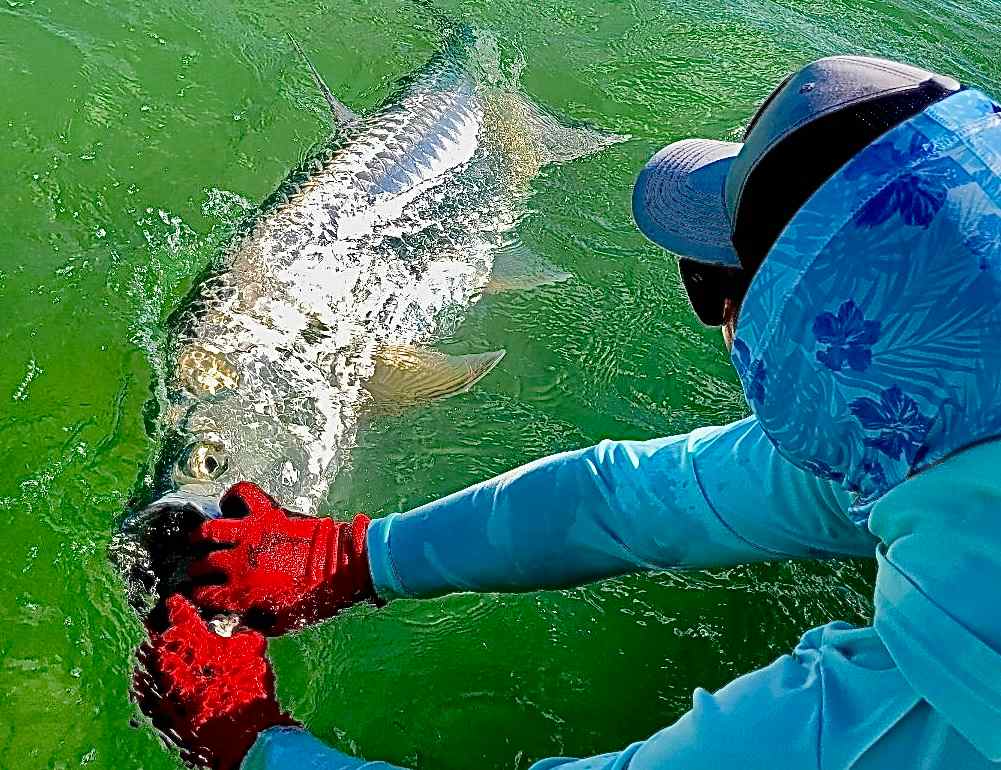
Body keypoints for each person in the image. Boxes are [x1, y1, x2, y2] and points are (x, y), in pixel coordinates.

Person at [133, 55, 1001, 770]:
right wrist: (353, 557)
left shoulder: (940, 687)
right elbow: (636, 499)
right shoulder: (939, 426)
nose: (720, 317)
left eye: (719, 285)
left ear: (819, 334)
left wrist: (249, 742)